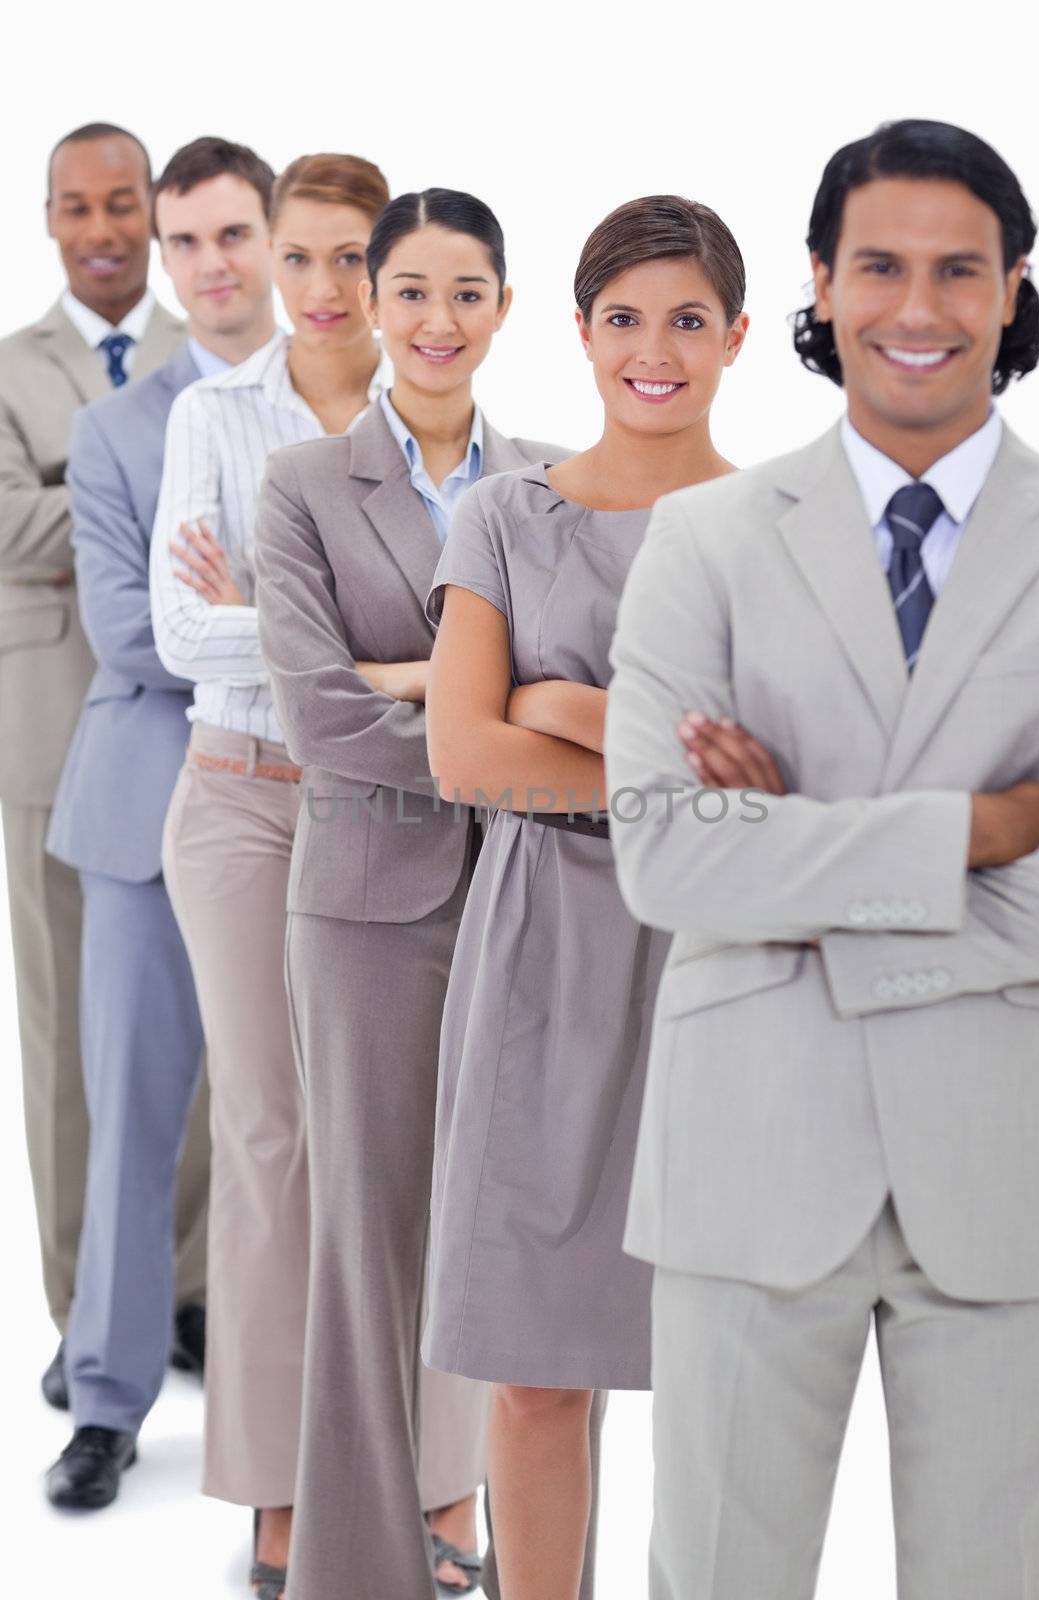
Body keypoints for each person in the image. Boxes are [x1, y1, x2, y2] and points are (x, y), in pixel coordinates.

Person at [605, 119, 1039, 1599]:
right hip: (751, 1156)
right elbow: (667, 862)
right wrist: (972, 835)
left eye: (957, 270)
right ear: (819, 283)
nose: (917, 309)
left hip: (1014, 1168)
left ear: (1012, 289)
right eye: (880, 266)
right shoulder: (703, 537)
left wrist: (793, 845)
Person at [423, 196, 748, 1600]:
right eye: (624, 317)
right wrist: (651, 749)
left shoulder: (777, 526)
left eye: (687, 319)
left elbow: (786, 792)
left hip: (726, 967)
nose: (653, 349)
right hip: (543, 961)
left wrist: (564, 705)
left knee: (725, 1384)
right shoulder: (504, 512)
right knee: (539, 1378)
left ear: (739, 335)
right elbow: (461, 753)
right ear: (581, 331)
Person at [254, 187, 570, 1600]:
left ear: (504, 311)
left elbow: (599, 703)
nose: (440, 321)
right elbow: (319, 721)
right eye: (415, 292)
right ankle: (357, 1574)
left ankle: (523, 1553)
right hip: (368, 917)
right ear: (372, 306)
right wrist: (491, 725)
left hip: (530, 901)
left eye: (470, 293)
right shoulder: (303, 487)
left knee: (519, 1252)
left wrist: (449, 704)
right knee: (365, 1261)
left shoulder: (550, 484)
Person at [148, 150, 396, 1597]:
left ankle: (424, 1483)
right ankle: (279, 1497)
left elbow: (463, 645)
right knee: (268, 1144)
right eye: (296, 258)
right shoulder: (212, 413)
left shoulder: (432, 408)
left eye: (348, 258)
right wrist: (361, 650)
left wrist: (280, 615)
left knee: (394, 1142)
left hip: (383, 810)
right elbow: (186, 637)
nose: (317, 288)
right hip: (239, 804)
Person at [42, 136, 277, 1513]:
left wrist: (239, 603)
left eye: (230, 234)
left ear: (280, 234)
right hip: (146, 810)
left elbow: (393, 617)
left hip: (306, 810)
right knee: (130, 1120)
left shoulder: (341, 409)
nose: (207, 264)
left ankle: (286, 1405)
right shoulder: (121, 428)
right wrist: (290, 626)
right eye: (183, 242)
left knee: (282, 1121)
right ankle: (109, 1401)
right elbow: (134, 638)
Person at [0, 121, 207, 1411]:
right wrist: (132, 498)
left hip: (193, 729)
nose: (105, 227)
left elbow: (243, 508)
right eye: (77, 206)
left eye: (125, 202)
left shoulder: (217, 355)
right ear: (51, 222)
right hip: (47, 732)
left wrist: (88, 493)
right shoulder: (12, 366)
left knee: (198, 1031)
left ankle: (185, 1291)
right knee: (68, 1035)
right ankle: (87, 1311)